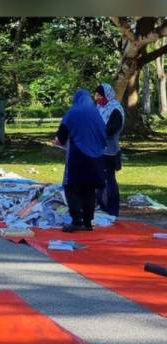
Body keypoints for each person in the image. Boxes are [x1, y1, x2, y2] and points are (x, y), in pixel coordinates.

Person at [54, 89, 107, 232]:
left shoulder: (73, 113)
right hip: (96, 158)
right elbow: (104, 134)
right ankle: (88, 222)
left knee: (71, 187)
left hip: (78, 156)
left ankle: (76, 220)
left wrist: (58, 141)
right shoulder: (96, 114)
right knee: (89, 189)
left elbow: (61, 136)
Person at [95, 83, 124, 217]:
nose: (97, 98)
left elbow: (111, 130)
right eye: (96, 95)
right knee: (98, 179)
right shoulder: (100, 107)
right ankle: (101, 206)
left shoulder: (115, 109)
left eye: (100, 95)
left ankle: (112, 209)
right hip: (97, 150)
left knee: (109, 179)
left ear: (107, 95)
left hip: (109, 151)